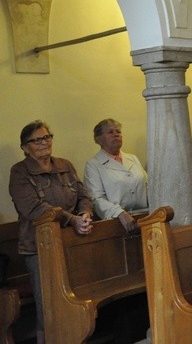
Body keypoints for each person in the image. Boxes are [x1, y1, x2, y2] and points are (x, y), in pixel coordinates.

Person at [9, 120, 94, 344]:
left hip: (70, 242)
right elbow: (34, 209)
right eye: (37, 140)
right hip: (39, 247)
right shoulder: (20, 172)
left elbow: (83, 195)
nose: (44, 142)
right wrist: (72, 219)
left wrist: (85, 214)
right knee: (48, 306)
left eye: (47, 137)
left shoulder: (64, 165)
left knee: (75, 299)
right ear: (25, 147)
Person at [84, 119, 148, 232]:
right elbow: (96, 199)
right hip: (117, 222)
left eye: (118, 131)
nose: (116, 135)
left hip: (144, 217)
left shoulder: (132, 158)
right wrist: (119, 213)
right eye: (110, 132)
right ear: (98, 139)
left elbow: (148, 186)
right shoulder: (94, 165)